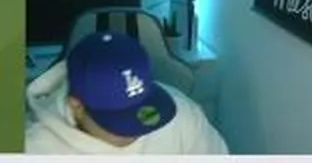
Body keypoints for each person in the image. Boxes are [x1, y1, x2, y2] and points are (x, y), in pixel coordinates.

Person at [25, 31, 228, 154]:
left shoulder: (183, 117)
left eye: (141, 109)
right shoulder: (34, 148)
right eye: (119, 118)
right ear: (76, 105)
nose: (137, 129)